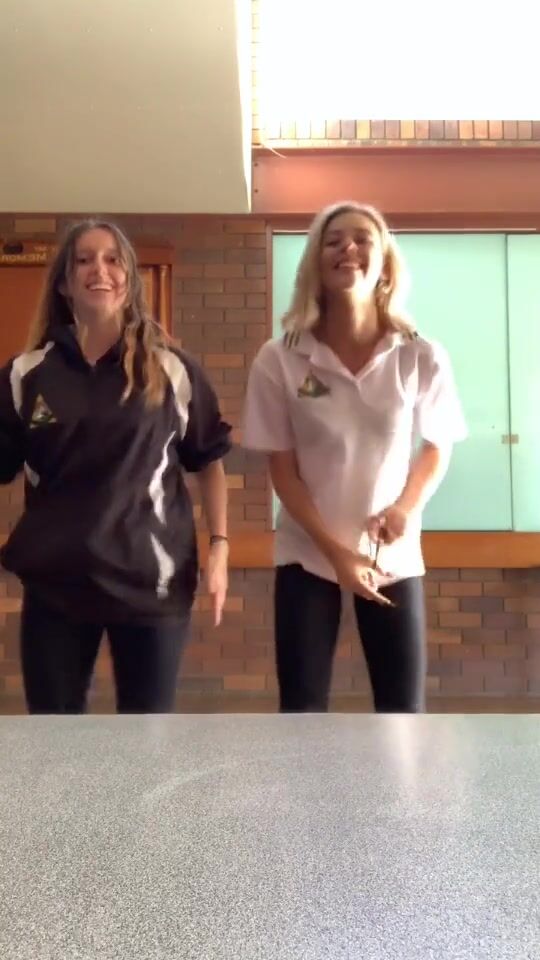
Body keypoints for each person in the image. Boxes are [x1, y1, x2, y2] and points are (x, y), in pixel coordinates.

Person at [242, 201, 466, 713]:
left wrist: (405, 508)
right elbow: (282, 469)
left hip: (393, 557)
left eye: (363, 239)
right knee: (301, 711)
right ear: (315, 264)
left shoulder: (419, 354)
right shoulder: (280, 357)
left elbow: (437, 446)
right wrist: (336, 553)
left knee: (402, 714)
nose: (348, 248)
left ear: (385, 262)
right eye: (333, 240)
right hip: (308, 553)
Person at [0, 219, 231, 714]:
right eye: (83, 260)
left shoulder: (172, 370)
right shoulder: (25, 375)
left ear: (129, 278)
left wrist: (220, 547)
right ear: (64, 282)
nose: (98, 270)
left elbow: (208, 460)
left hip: (151, 585)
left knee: (146, 743)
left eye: (112, 259)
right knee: (55, 743)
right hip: (56, 589)